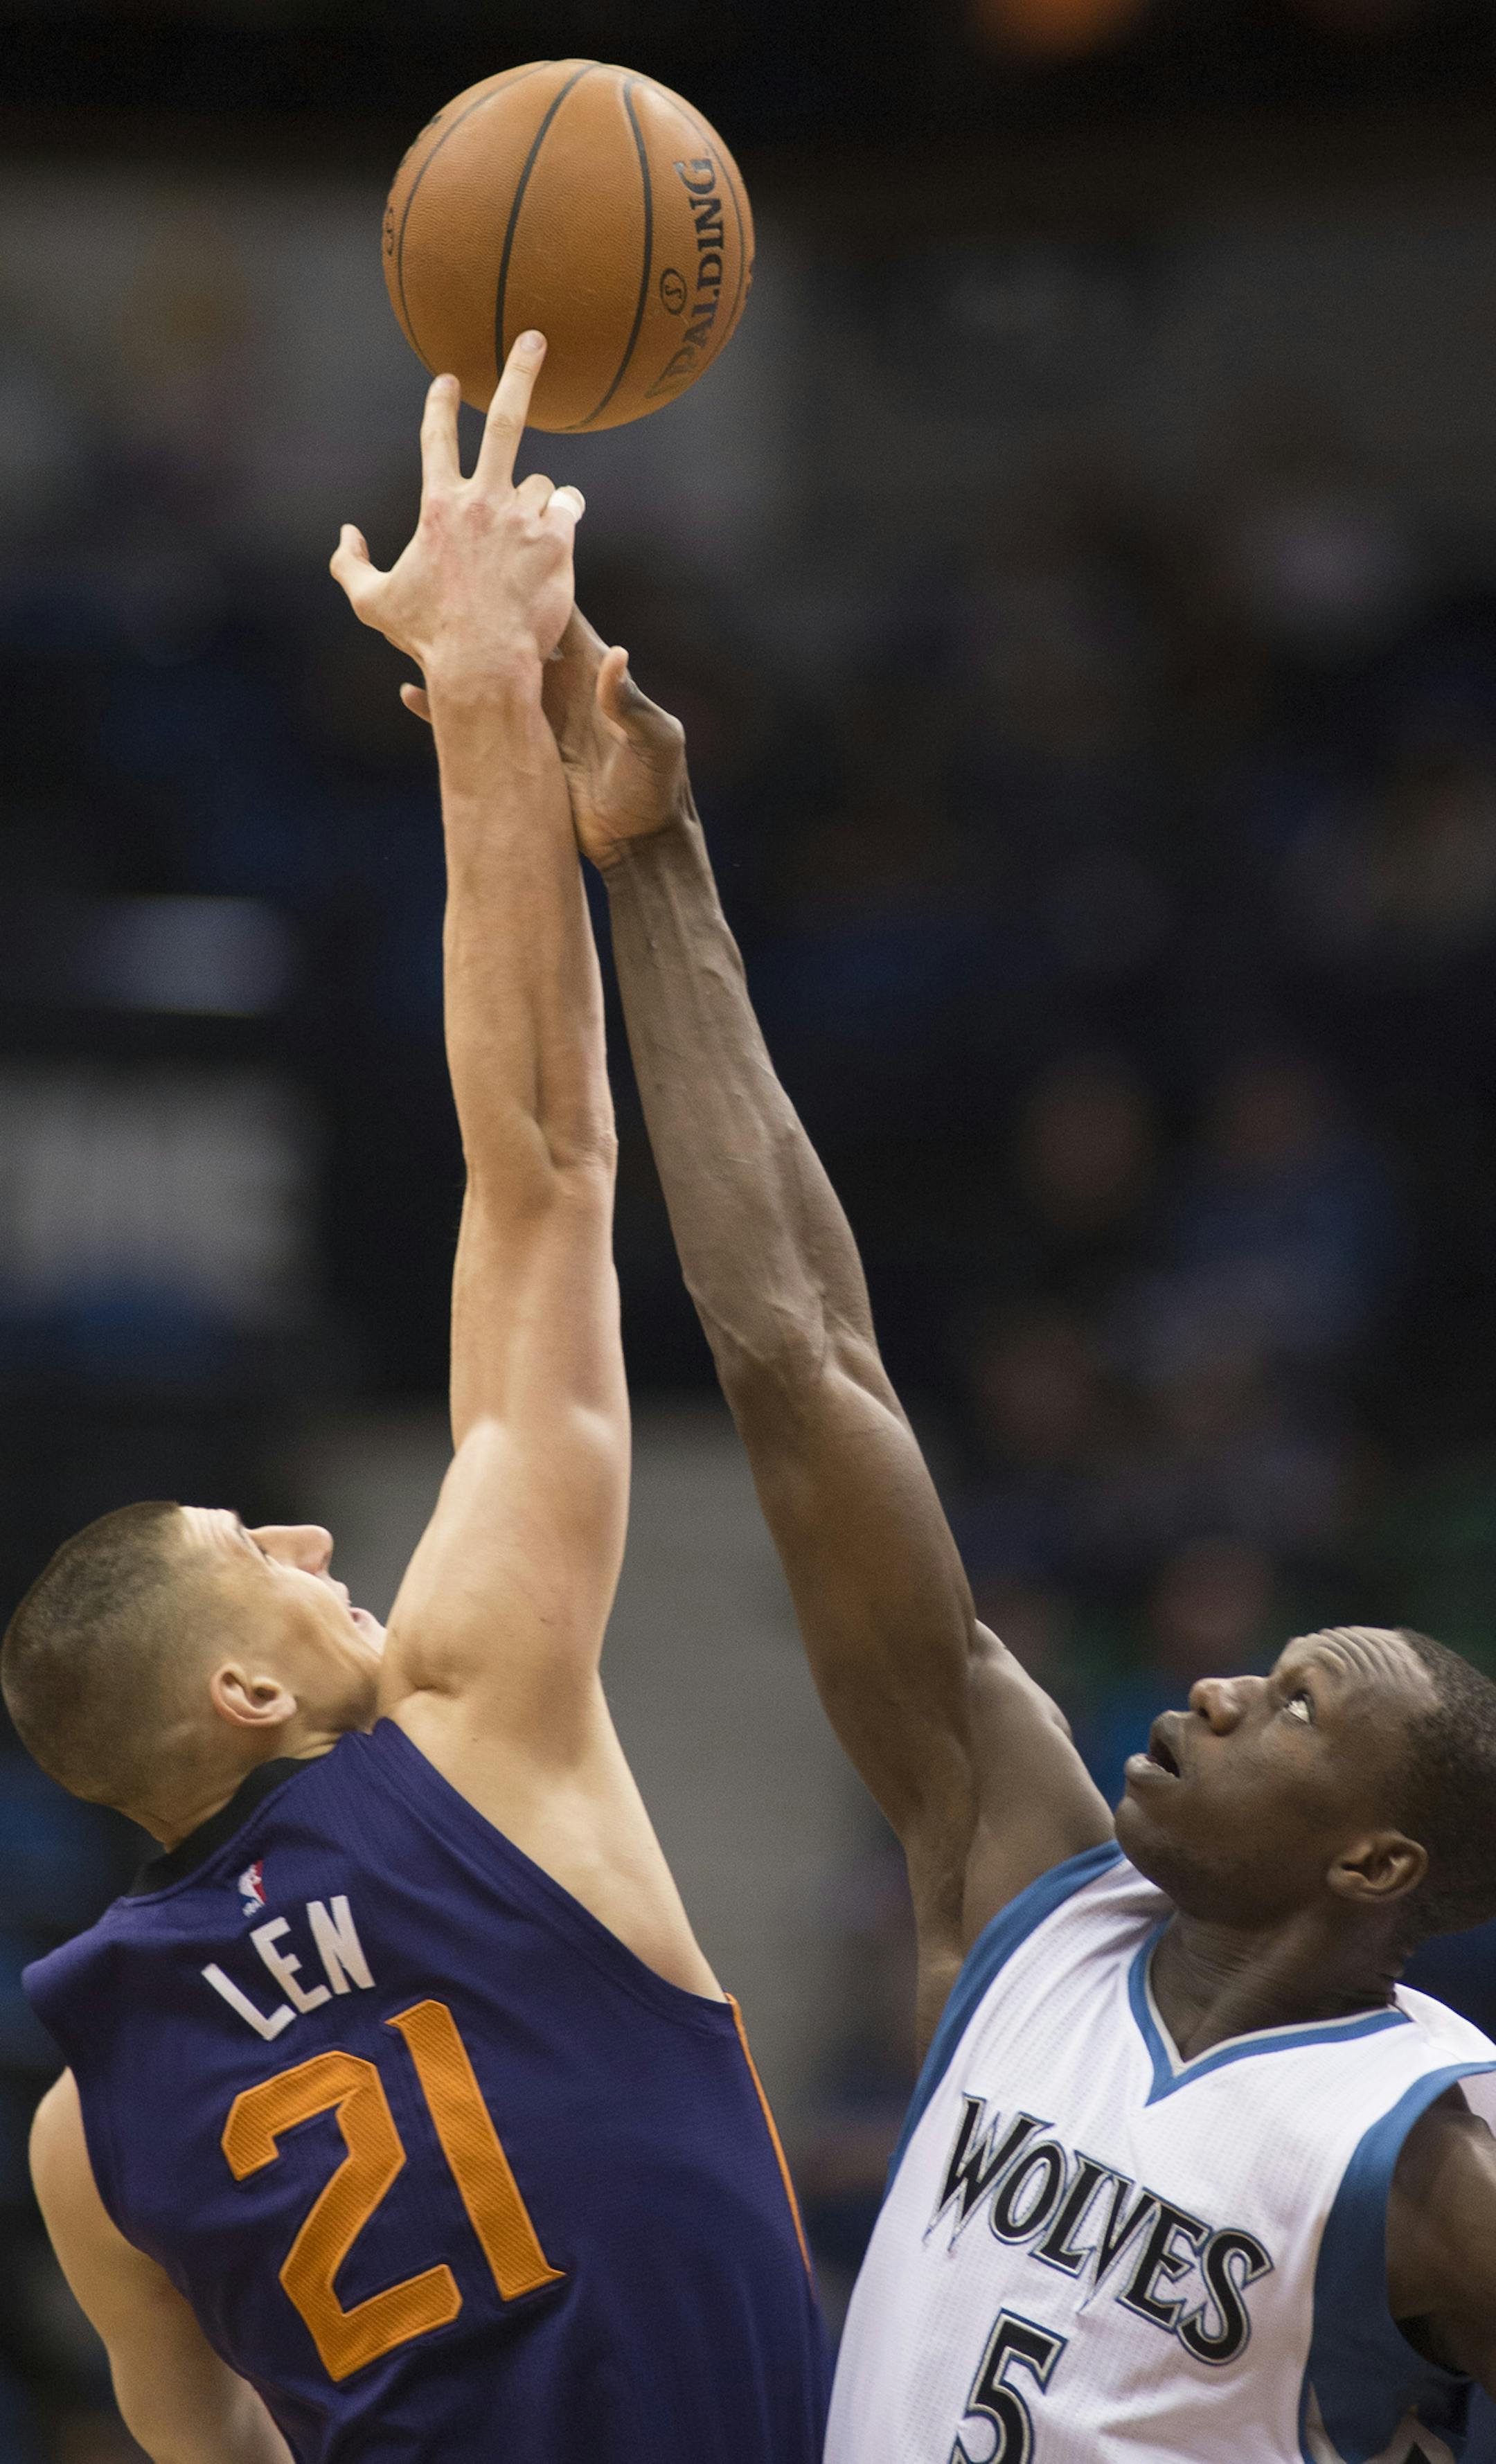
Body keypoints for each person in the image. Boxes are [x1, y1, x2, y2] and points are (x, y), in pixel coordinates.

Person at [533, 609, 1496, 2461]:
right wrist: (651, 852)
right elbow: (801, 1360)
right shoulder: (1024, 1905)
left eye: (1298, 1705)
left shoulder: (1427, 2146)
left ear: (1377, 1860)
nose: (1218, 1689)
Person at [7, 341, 826, 2464]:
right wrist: (486, 692)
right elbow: (546, 1177)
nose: (302, 1540)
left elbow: (207, 2456)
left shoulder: (90, 2136)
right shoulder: (479, 1741)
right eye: (246, 1555)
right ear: (251, 1703)